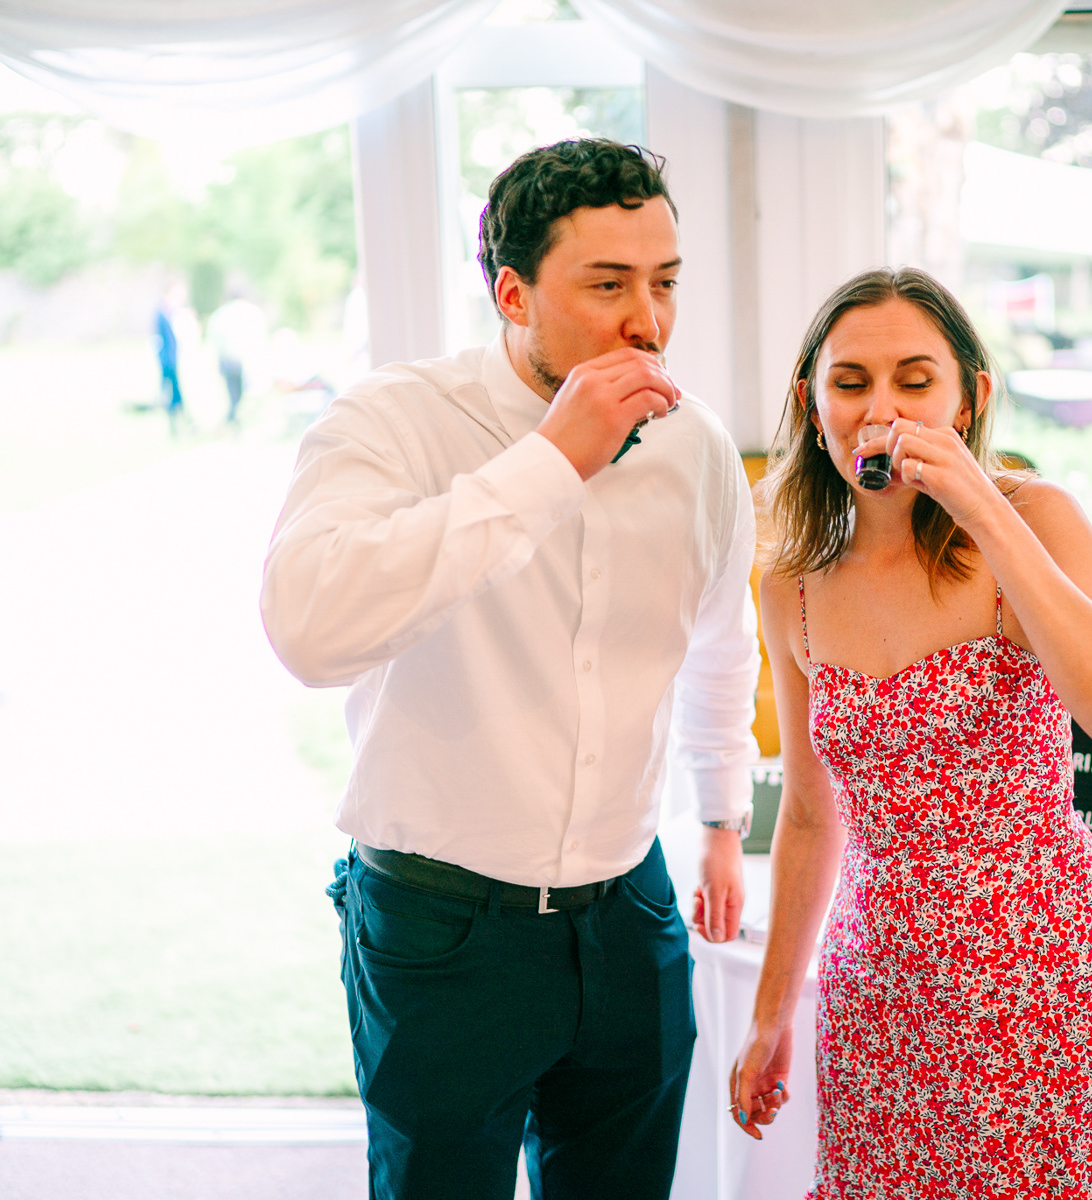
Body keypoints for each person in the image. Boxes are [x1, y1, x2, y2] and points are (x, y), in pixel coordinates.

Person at [260, 139, 759, 1200]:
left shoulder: (698, 447)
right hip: (443, 933)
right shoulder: (392, 423)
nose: (650, 323)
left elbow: (721, 641)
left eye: (665, 283)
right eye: (609, 285)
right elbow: (308, 627)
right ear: (513, 290)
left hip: (632, 913)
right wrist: (550, 462)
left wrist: (720, 818)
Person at [729, 268, 1092, 1198]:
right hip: (881, 985)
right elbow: (812, 817)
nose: (879, 406)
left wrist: (985, 509)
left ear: (971, 397)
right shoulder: (793, 581)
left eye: (913, 379)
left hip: (1038, 965)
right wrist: (772, 1014)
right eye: (849, 382)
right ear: (815, 408)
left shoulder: (1036, 519)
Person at [205, 287, 268, 425]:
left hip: (228, 360)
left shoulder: (220, 314)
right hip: (247, 359)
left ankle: (235, 418)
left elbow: (214, 339)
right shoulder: (251, 311)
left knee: (233, 393)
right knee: (249, 394)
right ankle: (241, 419)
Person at [154, 282, 188, 435]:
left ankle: (182, 423)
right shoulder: (164, 311)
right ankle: (179, 425)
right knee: (172, 393)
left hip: (172, 358)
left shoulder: (173, 311)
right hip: (168, 360)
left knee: (175, 392)